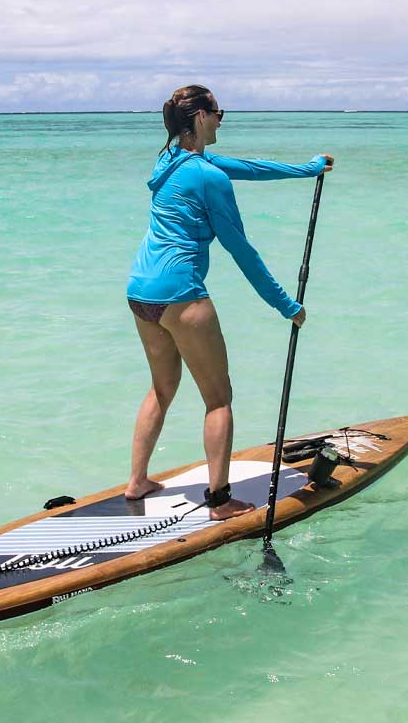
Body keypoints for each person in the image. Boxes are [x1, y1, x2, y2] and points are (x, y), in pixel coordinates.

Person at [126, 85, 333, 520]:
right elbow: (242, 251)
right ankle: (219, 501)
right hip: (181, 294)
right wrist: (286, 306)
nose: (223, 120)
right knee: (218, 399)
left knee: (162, 389)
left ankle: (137, 482)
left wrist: (307, 170)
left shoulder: (168, 161)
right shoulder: (208, 176)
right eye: (219, 112)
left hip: (141, 291)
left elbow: (249, 168)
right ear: (201, 117)